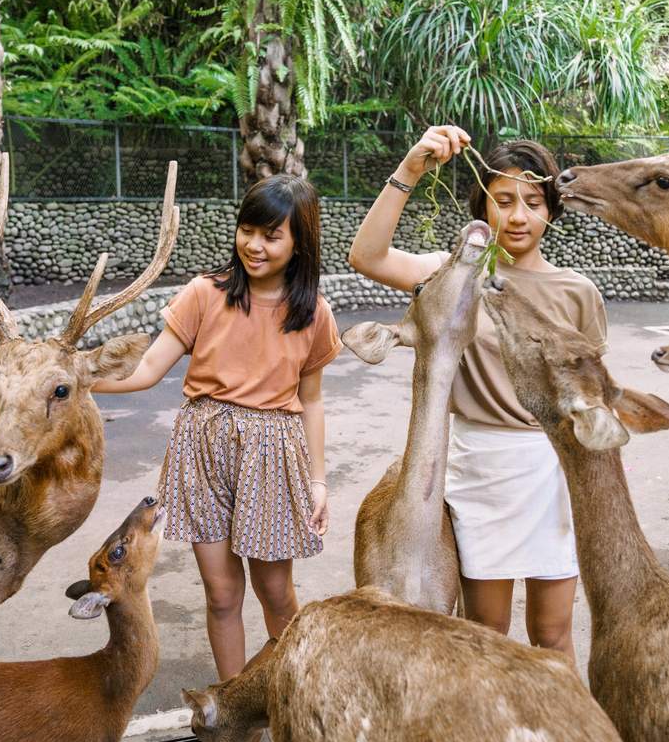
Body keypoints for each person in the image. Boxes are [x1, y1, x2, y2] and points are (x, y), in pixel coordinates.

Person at [348, 125, 607, 664]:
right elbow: (368, 257)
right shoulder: (452, 277)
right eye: (503, 200)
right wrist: (412, 167)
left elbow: (591, 396)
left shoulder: (579, 293)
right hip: (475, 469)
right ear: (482, 206)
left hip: (553, 468)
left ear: (552, 211)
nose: (517, 216)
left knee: (553, 634)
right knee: (486, 633)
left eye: (533, 202)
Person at [94, 174, 340, 679]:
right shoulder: (205, 293)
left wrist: (318, 481)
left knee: (276, 591)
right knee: (222, 593)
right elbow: (146, 371)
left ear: (299, 244)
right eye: (248, 230)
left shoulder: (313, 312)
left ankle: (294, 689)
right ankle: (232, 704)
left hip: (272, 454)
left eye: (272, 236)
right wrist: (76, 379)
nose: (254, 245)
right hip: (201, 449)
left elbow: (311, 402)